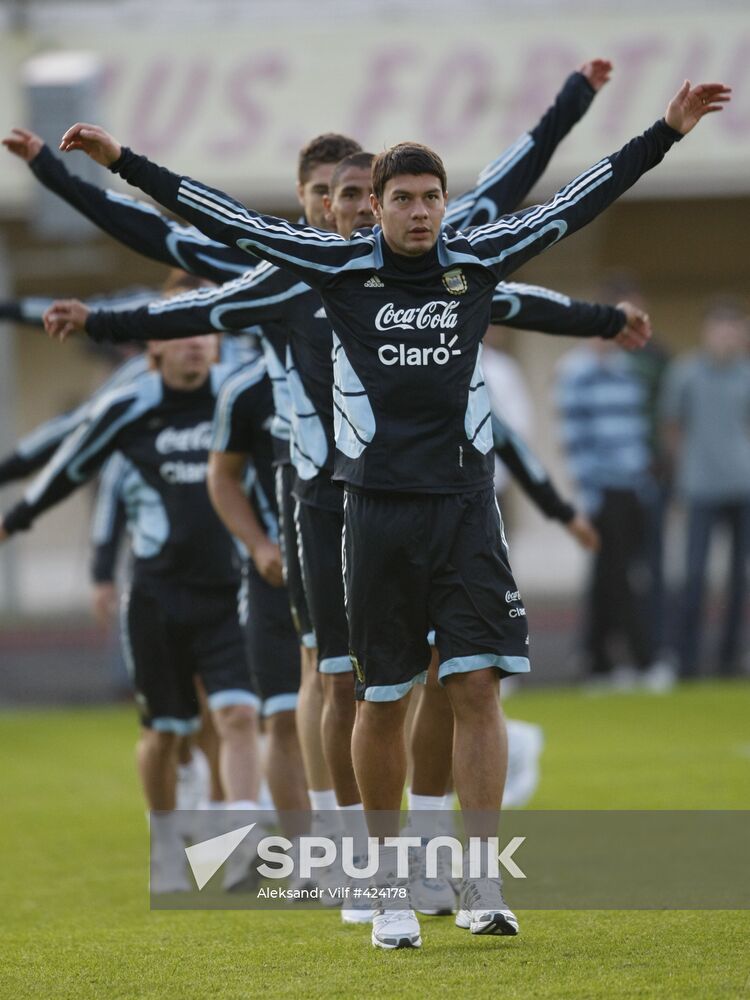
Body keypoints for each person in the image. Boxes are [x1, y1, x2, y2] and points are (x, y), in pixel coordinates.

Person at [44, 76, 728, 948]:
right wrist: (121, 162)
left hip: (466, 510)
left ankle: (479, 883)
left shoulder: (476, 259)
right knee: (378, 694)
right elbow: (220, 223)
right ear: (378, 209)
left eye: (426, 198)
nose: (413, 212)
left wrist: (665, 130)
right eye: (399, 199)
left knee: (475, 684)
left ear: (443, 205)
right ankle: (386, 882)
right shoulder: (336, 267)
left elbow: (577, 200)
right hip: (371, 514)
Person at [0, 336, 265, 893]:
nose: (196, 346)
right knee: (166, 731)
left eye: (204, 335)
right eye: (181, 335)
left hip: (227, 595)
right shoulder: (130, 409)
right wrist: (18, 518)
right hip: (156, 601)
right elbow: (72, 467)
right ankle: (167, 846)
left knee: (239, 716)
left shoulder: (237, 400)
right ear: (155, 349)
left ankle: (238, 846)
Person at [661, 299, 750, 678]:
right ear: (706, 331)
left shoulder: (746, 373)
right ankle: (687, 658)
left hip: (742, 487)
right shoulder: (685, 373)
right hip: (699, 487)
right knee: (694, 574)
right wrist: (682, 473)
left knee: (739, 576)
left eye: (734, 329)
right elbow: (671, 427)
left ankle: (731, 656)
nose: (727, 336)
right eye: (720, 328)